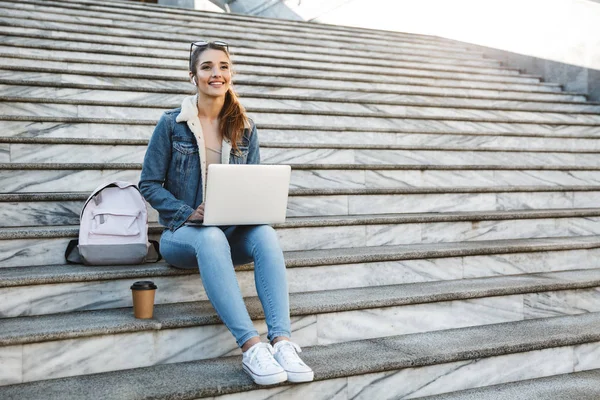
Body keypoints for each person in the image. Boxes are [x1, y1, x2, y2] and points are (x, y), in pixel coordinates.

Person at [138, 40, 314, 386]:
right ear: (193, 77)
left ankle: (282, 342)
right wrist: (188, 212)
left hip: (229, 232)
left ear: (231, 74)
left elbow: (252, 183)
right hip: (182, 235)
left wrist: (254, 207)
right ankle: (251, 348)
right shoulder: (171, 124)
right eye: (206, 67)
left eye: (223, 66)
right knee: (211, 236)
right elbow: (149, 184)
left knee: (264, 234)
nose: (215, 73)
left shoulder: (245, 127)